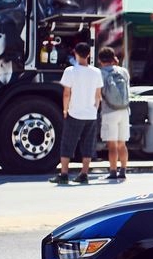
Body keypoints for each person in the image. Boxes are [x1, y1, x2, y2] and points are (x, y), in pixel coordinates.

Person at [51, 41, 102, 185]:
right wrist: (94, 109)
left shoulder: (70, 71)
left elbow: (67, 93)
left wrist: (65, 109)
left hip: (75, 113)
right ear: (89, 54)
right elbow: (98, 95)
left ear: (75, 53)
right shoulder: (96, 72)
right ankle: (84, 174)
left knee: (68, 143)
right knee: (88, 144)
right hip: (91, 114)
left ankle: (64, 174)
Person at [98, 46, 131, 180]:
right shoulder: (123, 71)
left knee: (112, 144)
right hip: (124, 111)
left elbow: (99, 93)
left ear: (100, 60)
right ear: (113, 58)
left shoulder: (100, 73)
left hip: (109, 111)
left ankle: (113, 172)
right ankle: (123, 171)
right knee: (122, 144)